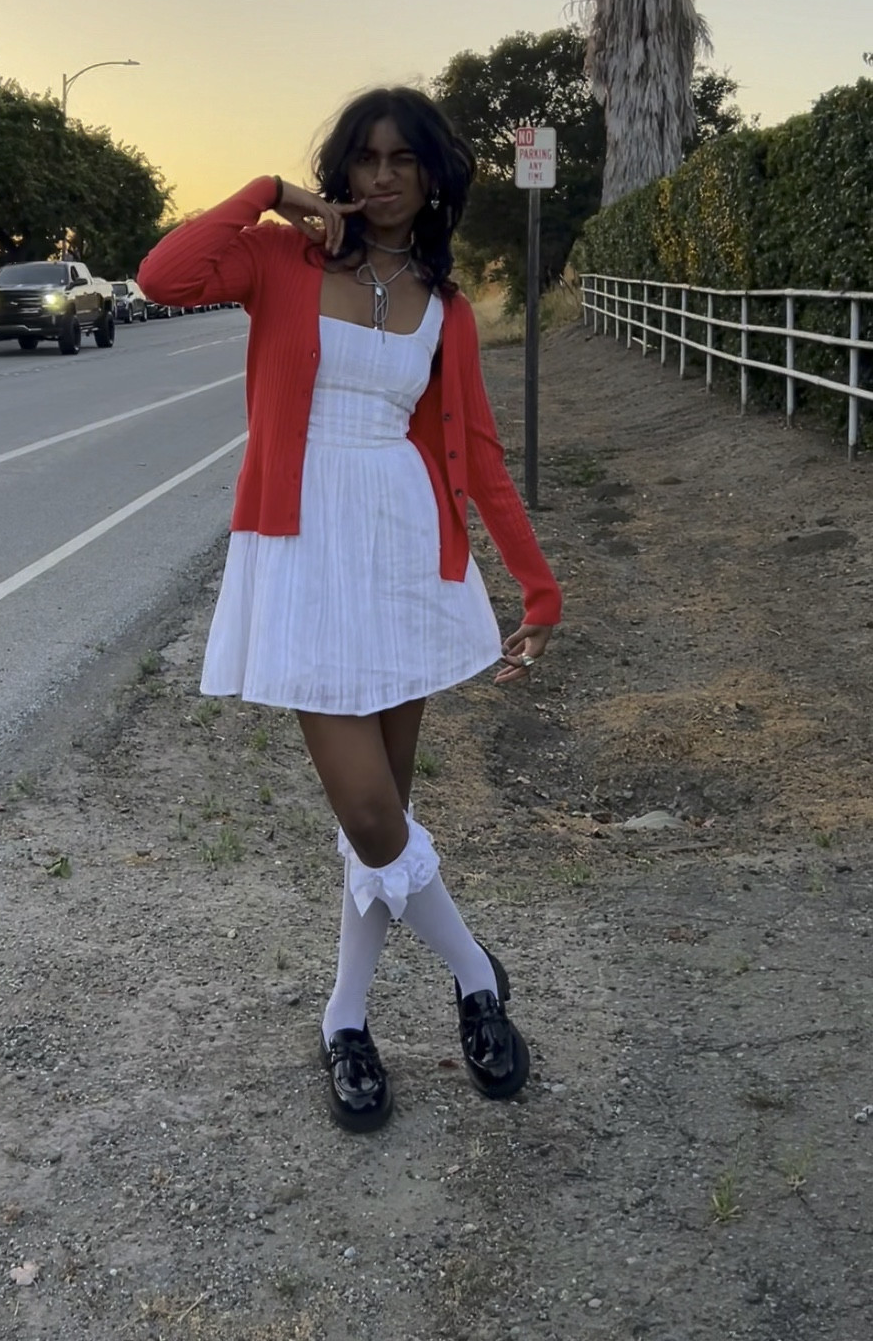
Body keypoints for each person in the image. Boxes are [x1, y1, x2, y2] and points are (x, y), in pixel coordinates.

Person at [138, 86, 561, 1133]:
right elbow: (164, 272)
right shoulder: (282, 261)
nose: (380, 178)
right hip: (302, 550)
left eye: (401, 161)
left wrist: (537, 583)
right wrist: (270, 194)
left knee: (382, 829)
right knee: (372, 818)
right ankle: (474, 978)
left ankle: (347, 1019)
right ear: (342, 169)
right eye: (364, 159)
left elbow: (479, 458)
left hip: (405, 556)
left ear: (430, 177)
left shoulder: (447, 306)